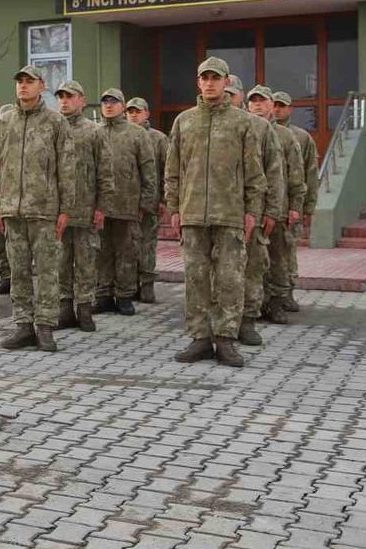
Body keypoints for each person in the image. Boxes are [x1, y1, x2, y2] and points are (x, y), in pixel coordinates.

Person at [165, 57, 266, 367]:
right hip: (193, 213)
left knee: (230, 279)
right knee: (195, 278)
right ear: (198, 82)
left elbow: (254, 172)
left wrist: (252, 211)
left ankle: (225, 339)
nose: (209, 83)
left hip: (230, 214)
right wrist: (174, 208)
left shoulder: (242, 122)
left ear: (226, 82)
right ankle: (199, 338)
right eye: (204, 78)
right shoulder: (184, 121)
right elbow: (173, 170)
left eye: (215, 78)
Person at [0, 66, 71, 352]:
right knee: (18, 271)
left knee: (48, 271)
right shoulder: (4, 121)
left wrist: (65, 209)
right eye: (20, 82)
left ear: (41, 86)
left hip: (44, 211)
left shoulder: (55, 122)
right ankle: (23, 325)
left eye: (29, 82)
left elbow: (66, 168)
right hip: (12, 210)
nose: (23, 86)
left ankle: (45, 326)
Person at [55, 80, 114, 332]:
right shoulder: (52, 128)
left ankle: (84, 309)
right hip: (57, 211)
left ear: (82, 100)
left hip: (86, 210)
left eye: (70, 96)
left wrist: (102, 206)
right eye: (61, 97)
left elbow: (105, 171)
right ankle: (65, 309)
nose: (64, 101)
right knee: (60, 262)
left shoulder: (94, 131)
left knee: (86, 262)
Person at [95, 88, 155, 317]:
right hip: (100, 207)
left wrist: (146, 203)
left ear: (122, 105)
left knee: (127, 252)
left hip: (128, 204)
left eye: (113, 102)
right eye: (105, 102)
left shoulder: (136, 134)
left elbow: (148, 169)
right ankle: (103, 295)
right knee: (101, 252)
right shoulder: (95, 132)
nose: (109, 106)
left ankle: (124, 296)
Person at [230, 82, 283, 344]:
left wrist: (272, 210)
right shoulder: (201, 123)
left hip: (251, 212)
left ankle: (248, 320)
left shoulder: (259, 127)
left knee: (252, 268)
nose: (226, 96)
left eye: (231, 93)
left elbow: (273, 172)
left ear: (239, 95)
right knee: (218, 272)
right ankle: (220, 322)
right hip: (217, 213)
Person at [249, 85, 305, 324]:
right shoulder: (243, 129)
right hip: (250, 209)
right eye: (253, 101)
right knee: (253, 261)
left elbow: (296, 175)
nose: (257, 105)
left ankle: (277, 303)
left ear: (271, 105)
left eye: (262, 101)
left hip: (278, 209)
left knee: (278, 259)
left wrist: (295, 206)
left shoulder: (285, 136)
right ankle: (256, 303)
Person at [272, 91, 319, 312]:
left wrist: (306, 206)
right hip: (271, 205)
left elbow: (309, 173)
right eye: (275, 105)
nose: (277, 109)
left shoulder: (301, 137)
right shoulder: (259, 131)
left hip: (290, 205)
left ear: (290, 109)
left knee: (288, 250)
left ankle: (287, 292)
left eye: (282, 106)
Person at [125, 97, 168, 303]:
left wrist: (163, 200)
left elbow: (166, 170)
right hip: (125, 203)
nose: (133, 115)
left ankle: (147, 283)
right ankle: (131, 284)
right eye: (130, 112)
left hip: (150, 201)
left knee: (147, 243)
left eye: (137, 111)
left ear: (147, 114)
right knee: (128, 244)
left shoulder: (158, 139)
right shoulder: (123, 136)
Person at [0, 103, 16, 296]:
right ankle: (5, 276)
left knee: (15, 245)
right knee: (1, 242)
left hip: (15, 202)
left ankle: (15, 277)